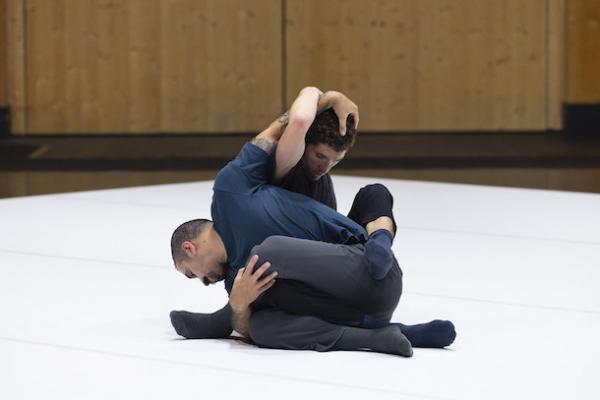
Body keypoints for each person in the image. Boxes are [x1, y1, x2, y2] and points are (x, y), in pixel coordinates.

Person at [169, 87, 456, 356]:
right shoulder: (237, 281)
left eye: (192, 274)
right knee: (262, 326)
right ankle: (377, 336)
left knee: (267, 253)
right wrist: (239, 306)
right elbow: (245, 331)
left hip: (369, 269)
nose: (203, 282)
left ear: (189, 247)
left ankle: (379, 242)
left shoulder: (234, 189)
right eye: (320, 156)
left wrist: (327, 97)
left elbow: (298, 120)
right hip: (349, 307)